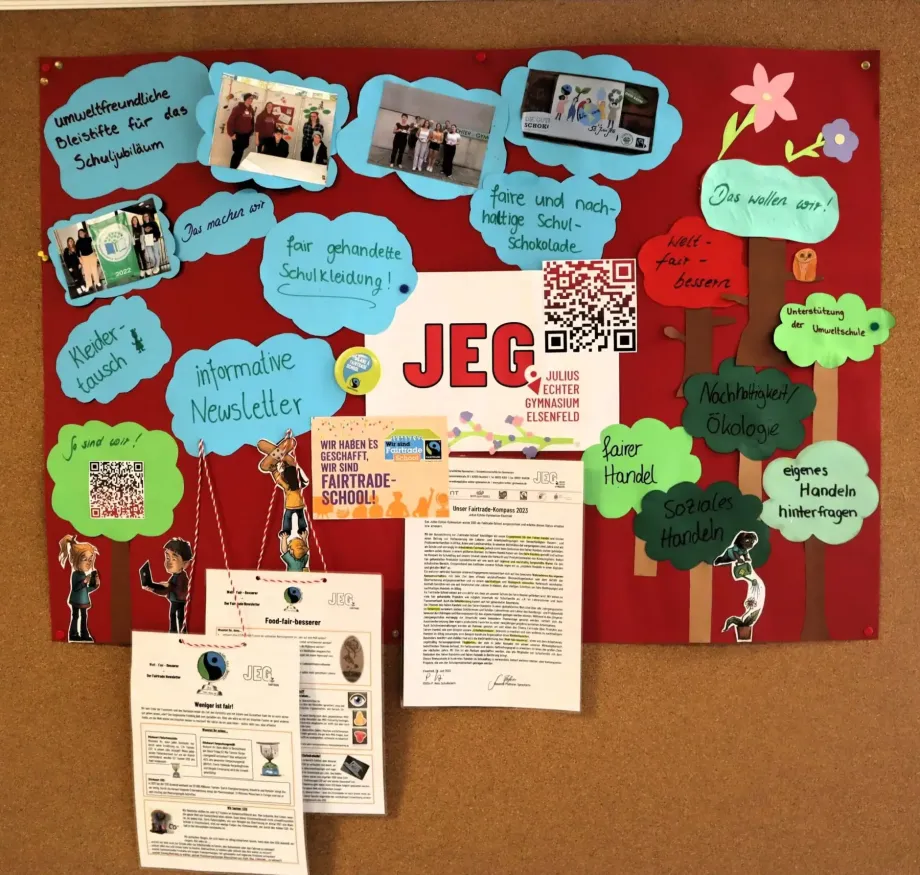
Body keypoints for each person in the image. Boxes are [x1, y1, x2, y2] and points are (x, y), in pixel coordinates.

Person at [714, 531, 765, 643]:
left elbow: (745, 554)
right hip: (729, 555)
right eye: (748, 542)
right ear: (741, 540)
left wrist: (747, 558)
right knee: (722, 560)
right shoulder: (736, 547)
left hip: (736, 561)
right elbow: (735, 553)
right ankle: (717, 561)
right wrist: (739, 559)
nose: (750, 544)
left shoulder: (744, 549)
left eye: (752, 543)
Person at [142, 538, 193, 634]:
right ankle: (174, 631)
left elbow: (179, 589)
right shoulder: (174, 577)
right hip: (174, 601)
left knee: (179, 617)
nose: (169, 562)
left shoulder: (182, 577)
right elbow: (167, 591)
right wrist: (153, 589)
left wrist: (169, 586)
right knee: (174, 616)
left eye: (174, 559)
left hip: (179, 602)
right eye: (167, 558)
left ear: (185, 564)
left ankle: (181, 632)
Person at [58, 534, 100, 643]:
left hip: (84, 601)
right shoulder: (76, 574)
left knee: (84, 617)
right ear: (76, 560)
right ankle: (73, 634)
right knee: (76, 616)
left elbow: (85, 590)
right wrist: (85, 581)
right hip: (76, 601)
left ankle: (84, 633)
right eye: (85, 559)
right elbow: (76, 588)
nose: (88, 562)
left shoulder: (83, 574)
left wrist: (95, 585)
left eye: (90, 559)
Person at [273, 460, 309, 537]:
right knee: (301, 517)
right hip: (299, 504)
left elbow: (280, 480)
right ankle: (302, 528)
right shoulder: (299, 486)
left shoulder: (287, 487)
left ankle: (286, 530)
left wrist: (278, 471)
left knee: (287, 517)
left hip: (290, 506)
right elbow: (306, 481)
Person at [226, 92, 255, 169]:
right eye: (249, 98)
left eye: (252, 99)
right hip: (238, 134)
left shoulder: (251, 109)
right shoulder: (237, 108)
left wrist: (251, 131)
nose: (251, 100)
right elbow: (230, 121)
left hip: (246, 135)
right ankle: (232, 169)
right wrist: (231, 134)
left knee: (240, 152)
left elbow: (252, 121)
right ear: (245, 99)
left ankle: (235, 168)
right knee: (237, 153)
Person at [75, 228, 101, 292]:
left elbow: (95, 240)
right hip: (84, 258)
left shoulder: (89, 239)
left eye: (82, 232)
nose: (81, 234)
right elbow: (77, 251)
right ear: (78, 235)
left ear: (84, 233)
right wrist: (80, 259)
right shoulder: (78, 242)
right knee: (87, 272)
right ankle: (88, 285)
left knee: (94, 270)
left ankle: (97, 282)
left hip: (92, 256)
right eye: (79, 233)